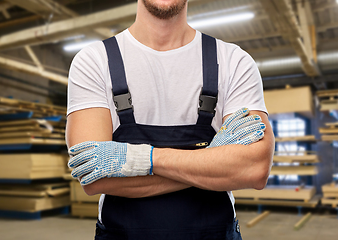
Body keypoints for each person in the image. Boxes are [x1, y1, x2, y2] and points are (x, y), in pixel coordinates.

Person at [66, 0, 275, 239]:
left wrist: (138, 159)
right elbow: (94, 177)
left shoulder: (233, 61)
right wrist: (212, 159)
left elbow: (255, 169)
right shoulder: (94, 62)